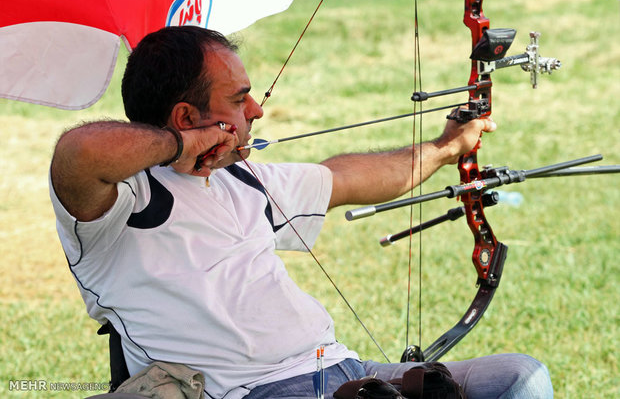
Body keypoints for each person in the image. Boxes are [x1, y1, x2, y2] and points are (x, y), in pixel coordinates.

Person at [49, 26, 553, 398]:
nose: (257, 111)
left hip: (345, 369)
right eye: (240, 98)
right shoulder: (121, 205)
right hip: (248, 391)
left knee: (521, 380)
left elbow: (351, 177)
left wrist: (446, 148)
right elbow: (77, 153)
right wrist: (180, 144)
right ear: (186, 117)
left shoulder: (244, 180)